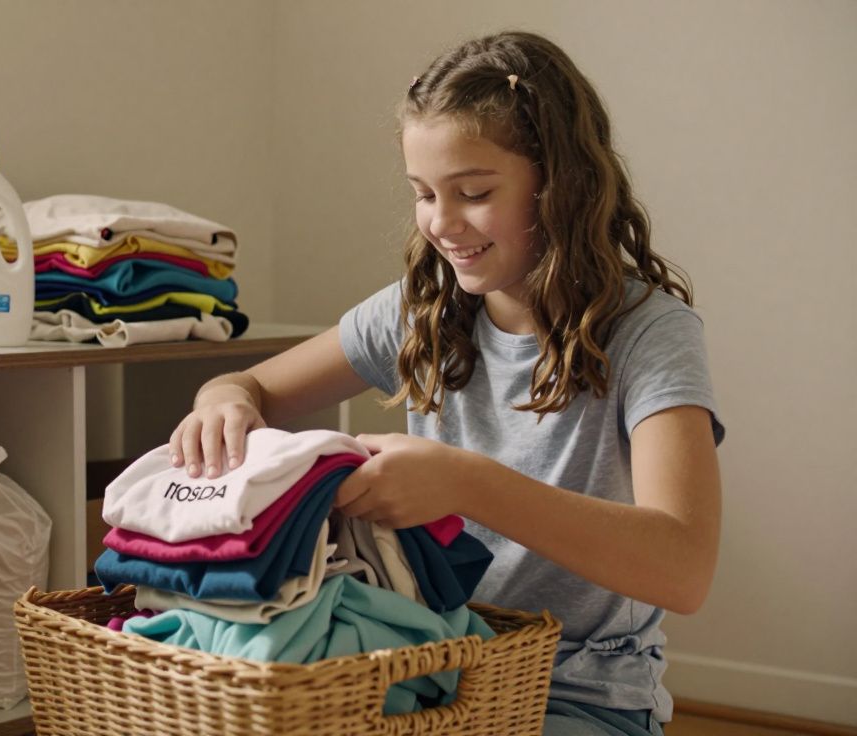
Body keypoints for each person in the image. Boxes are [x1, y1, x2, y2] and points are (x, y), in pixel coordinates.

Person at [167, 31, 723, 736]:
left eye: (474, 192)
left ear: (561, 185)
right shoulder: (419, 311)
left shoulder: (649, 332)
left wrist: (465, 482)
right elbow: (245, 386)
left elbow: (684, 568)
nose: (441, 222)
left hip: (581, 696)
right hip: (426, 677)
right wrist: (224, 403)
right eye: (424, 194)